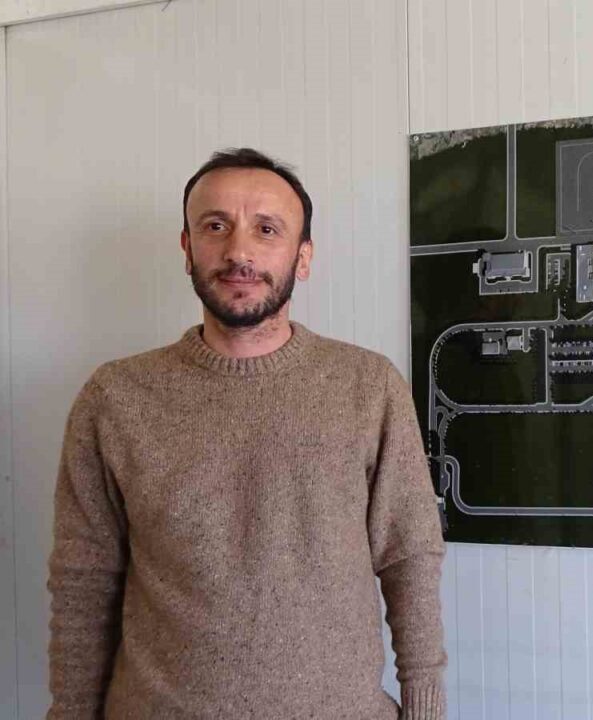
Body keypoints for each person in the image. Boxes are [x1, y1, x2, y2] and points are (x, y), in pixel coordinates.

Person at [46, 148, 446, 719]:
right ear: (187, 249)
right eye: (215, 226)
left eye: (266, 229)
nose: (239, 252)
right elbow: (83, 581)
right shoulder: (115, 397)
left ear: (302, 257)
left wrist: (425, 708)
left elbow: (409, 557)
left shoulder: (367, 385)